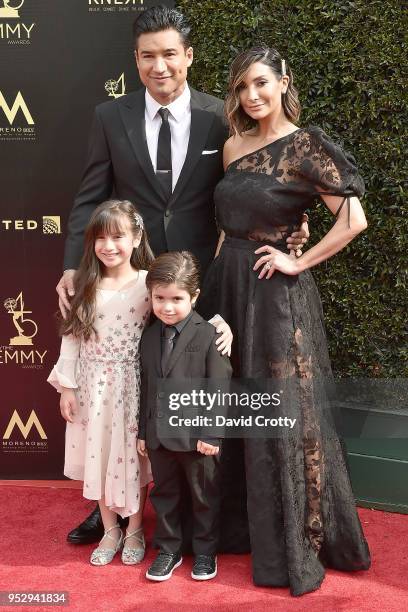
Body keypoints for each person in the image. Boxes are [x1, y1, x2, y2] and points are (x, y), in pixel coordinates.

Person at [56, 6, 308, 545]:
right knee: (126, 394)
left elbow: (255, 183)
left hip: (201, 280)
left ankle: (195, 516)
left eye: (170, 53)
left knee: (187, 395)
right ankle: (115, 510)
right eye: (148, 55)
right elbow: (89, 200)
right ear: (136, 60)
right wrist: (69, 269)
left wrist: (292, 225)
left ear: (188, 56)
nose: (160, 65)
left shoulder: (223, 116)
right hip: (128, 283)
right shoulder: (110, 117)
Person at [199, 46, 371, 595]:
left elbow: (354, 219)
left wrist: (298, 256)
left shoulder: (306, 145)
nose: (251, 96)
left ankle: (288, 544)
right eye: (242, 87)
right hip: (227, 285)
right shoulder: (231, 146)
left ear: (282, 82)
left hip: (274, 295)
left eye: (260, 84)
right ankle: (236, 528)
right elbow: (230, 224)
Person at [48, 200, 154, 565]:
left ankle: (136, 527)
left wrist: (220, 325)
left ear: (137, 237)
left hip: (131, 386)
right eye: (100, 238)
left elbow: (181, 314)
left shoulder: (148, 282)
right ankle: (110, 530)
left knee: (132, 459)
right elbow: (72, 339)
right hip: (90, 387)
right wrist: (67, 387)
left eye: (118, 237)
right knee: (97, 455)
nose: (109, 246)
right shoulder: (84, 283)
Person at [137, 251, 232, 581]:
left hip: (198, 439)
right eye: (159, 298)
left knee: (204, 497)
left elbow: (219, 388)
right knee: (164, 495)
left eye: (177, 299)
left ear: (194, 296)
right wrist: (143, 432)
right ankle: (168, 549)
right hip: (159, 438)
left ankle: (205, 552)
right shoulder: (148, 337)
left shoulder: (209, 335)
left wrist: (212, 434)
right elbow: (147, 386)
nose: (167, 306)